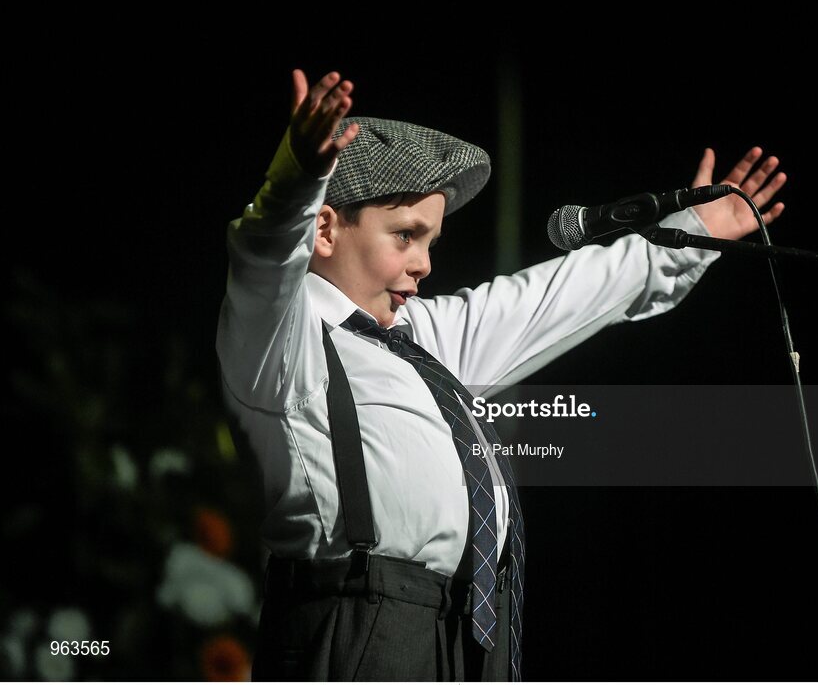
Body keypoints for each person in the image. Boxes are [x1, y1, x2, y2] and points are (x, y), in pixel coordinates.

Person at [216, 68, 787, 681]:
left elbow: (553, 297)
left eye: (431, 241)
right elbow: (265, 251)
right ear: (325, 229)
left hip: (463, 629)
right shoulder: (285, 336)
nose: (424, 263)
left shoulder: (421, 338)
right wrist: (299, 176)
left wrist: (693, 235)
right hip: (357, 625)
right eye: (405, 236)